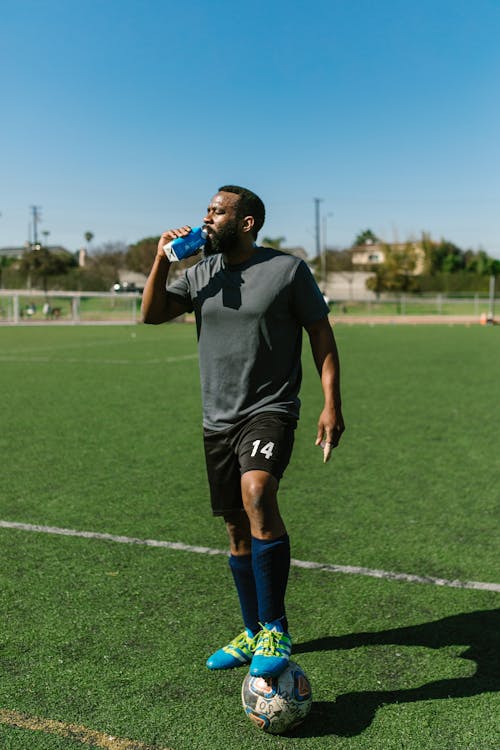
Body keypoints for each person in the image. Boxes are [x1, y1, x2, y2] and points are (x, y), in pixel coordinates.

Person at [141, 185, 344, 678]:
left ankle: (275, 626)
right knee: (235, 527)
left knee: (257, 492)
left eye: (218, 211)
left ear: (246, 222)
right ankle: (252, 631)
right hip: (217, 418)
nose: (207, 217)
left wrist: (331, 404)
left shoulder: (287, 270)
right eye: (207, 210)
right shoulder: (200, 273)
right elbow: (150, 315)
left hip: (270, 408)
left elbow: (320, 331)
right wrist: (161, 260)